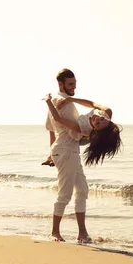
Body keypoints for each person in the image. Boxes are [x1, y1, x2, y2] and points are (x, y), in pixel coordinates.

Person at [43, 68, 115, 244]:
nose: (74, 86)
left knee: (82, 189)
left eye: (75, 83)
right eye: (70, 84)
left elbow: (52, 129)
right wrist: (52, 152)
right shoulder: (62, 103)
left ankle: (82, 233)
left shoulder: (67, 102)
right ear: (61, 84)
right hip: (66, 150)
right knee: (65, 193)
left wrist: (50, 152)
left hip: (69, 150)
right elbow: (58, 125)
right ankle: (54, 232)